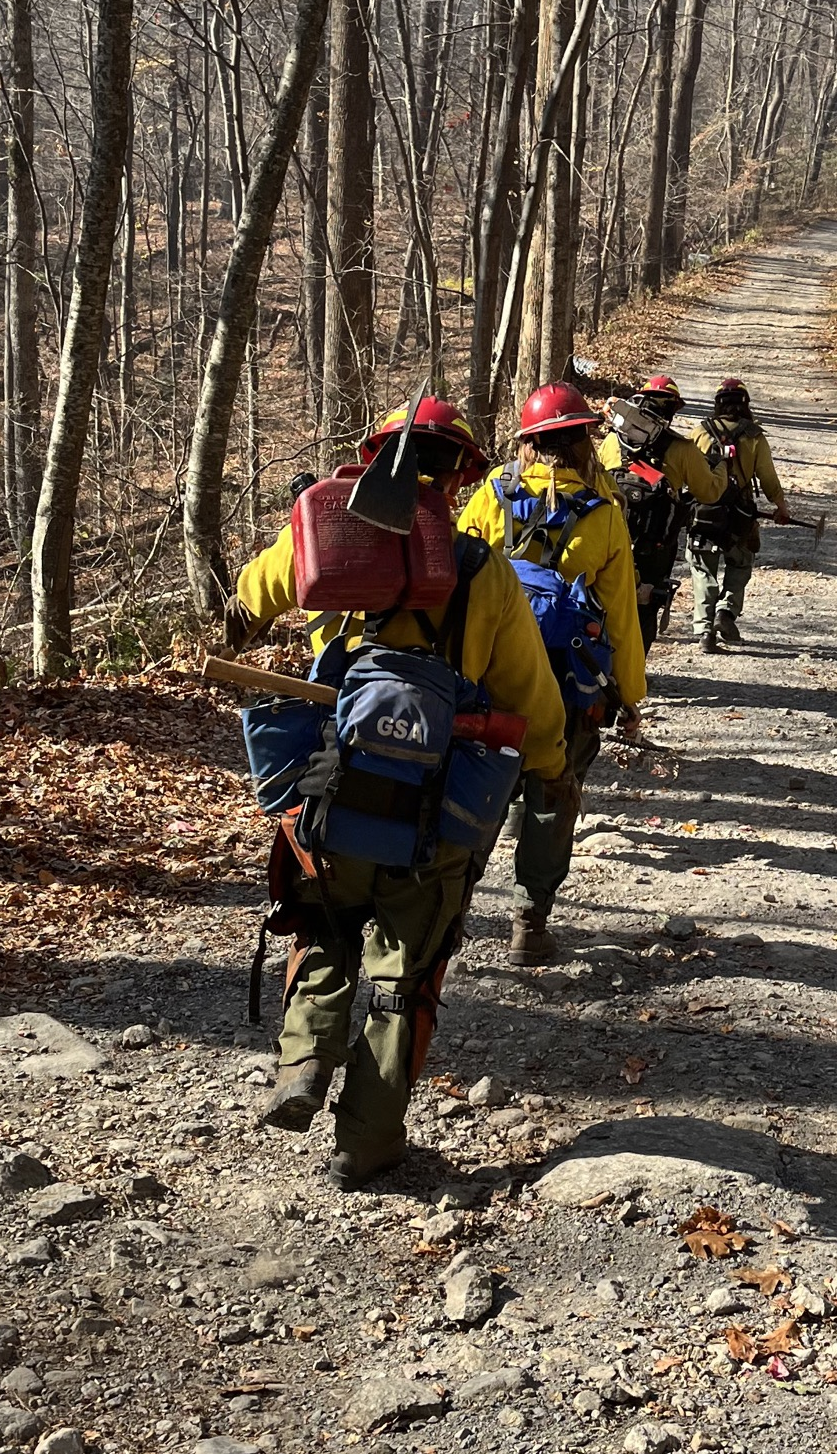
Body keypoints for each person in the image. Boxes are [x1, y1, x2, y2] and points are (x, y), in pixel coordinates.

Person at [228, 397, 570, 1189]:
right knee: (405, 974)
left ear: (373, 460)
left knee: (322, 923)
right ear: (457, 479)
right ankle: (368, 1141)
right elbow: (532, 697)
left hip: (332, 789)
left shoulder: (324, 541)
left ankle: (303, 1060)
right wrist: (550, 765)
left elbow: (249, 596)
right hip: (436, 807)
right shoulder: (481, 571)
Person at [459, 382, 648, 966]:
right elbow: (621, 618)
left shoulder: (492, 495)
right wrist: (629, 695)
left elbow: (455, 583)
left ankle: (452, 904)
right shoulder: (605, 517)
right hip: (567, 685)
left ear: (528, 444)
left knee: (470, 788)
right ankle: (529, 923)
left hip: (487, 672)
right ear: (585, 443)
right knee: (553, 791)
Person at [596, 374, 728, 648]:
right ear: (671, 410)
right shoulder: (683, 450)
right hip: (654, 543)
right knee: (646, 604)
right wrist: (721, 466)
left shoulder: (611, 442)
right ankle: (633, 675)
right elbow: (709, 493)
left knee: (599, 598)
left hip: (606, 535)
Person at [688, 378, 789, 652]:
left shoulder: (700, 432)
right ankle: (726, 612)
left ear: (717, 404)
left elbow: (683, 469)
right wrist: (780, 506)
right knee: (741, 562)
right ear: (745, 405)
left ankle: (705, 630)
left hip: (704, 512)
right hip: (740, 514)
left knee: (702, 568)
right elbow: (768, 478)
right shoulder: (755, 436)